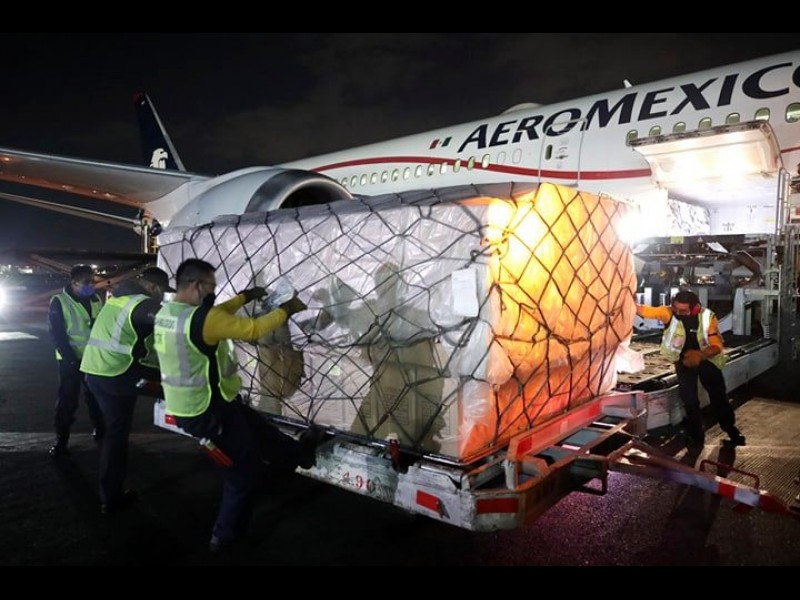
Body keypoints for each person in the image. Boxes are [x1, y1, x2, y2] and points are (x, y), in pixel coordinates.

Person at [153, 258, 321, 553]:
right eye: (211, 286)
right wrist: (286, 310)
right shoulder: (202, 320)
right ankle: (225, 537)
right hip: (208, 410)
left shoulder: (168, 313)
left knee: (261, 430)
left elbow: (216, 314)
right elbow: (254, 329)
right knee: (243, 473)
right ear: (197, 285)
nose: (213, 292)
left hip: (196, 403)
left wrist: (243, 298)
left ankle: (301, 455)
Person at [80, 267, 174, 515]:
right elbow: (173, 323)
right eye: (162, 291)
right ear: (153, 287)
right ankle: (111, 498)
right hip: (117, 374)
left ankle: (110, 495)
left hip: (96, 371)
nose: (162, 296)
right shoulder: (141, 304)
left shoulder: (118, 299)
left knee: (115, 432)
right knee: (178, 388)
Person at [636, 290, 746, 447]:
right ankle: (696, 436)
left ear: (694, 308)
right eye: (676, 308)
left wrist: (700, 355)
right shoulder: (669, 313)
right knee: (689, 400)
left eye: (683, 311)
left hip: (707, 361)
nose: (678, 313)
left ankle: (731, 430)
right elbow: (645, 310)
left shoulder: (707, 317)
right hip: (684, 362)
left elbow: (717, 346)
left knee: (719, 397)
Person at [47, 265, 105, 458]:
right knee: (68, 401)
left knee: (96, 398)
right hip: (70, 361)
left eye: (92, 281)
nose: (91, 285)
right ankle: (61, 440)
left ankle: (100, 432)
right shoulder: (59, 301)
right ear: (74, 283)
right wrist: (70, 358)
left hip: (92, 359)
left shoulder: (96, 299)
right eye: (87, 282)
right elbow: (57, 333)